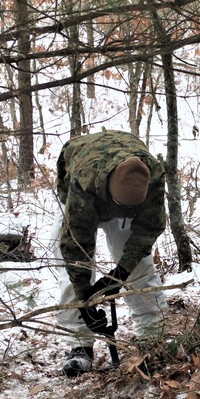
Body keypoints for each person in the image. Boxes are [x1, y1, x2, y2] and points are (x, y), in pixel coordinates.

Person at [51, 130, 168, 377]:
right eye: (122, 207)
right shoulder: (85, 182)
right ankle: (79, 344)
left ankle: (151, 333)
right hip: (84, 190)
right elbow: (75, 247)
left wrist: (120, 273)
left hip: (120, 189)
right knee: (69, 268)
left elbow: (148, 228)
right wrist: (86, 301)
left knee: (140, 266)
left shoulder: (153, 175)